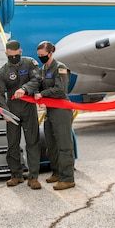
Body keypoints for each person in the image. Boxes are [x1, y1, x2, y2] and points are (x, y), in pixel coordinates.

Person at [0, 40, 42, 190]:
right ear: (6, 54)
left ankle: (33, 177)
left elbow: (37, 79)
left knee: (32, 142)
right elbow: (0, 94)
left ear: (20, 52)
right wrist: (4, 112)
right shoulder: (2, 72)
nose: (14, 58)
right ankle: (16, 175)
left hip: (28, 109)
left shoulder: (29, 64)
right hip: (12, 111)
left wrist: (25, 88)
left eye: (16, 55)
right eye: (11, 56)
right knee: (13, 144)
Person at [34, 41, 75, 190]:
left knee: (64, 145)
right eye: (39, 55)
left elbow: (60, 90)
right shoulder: (42, 70)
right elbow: (36, 84)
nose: (40, 58)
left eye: (43, 55)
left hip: (61, 110)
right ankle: (57, 172)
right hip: (50, 110)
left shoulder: (60, 68)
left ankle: (68, 178)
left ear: (50, 53)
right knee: (51, 144)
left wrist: (42, 94)